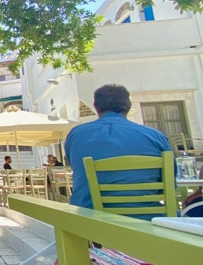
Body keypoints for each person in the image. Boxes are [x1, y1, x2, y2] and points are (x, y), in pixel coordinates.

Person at [65, 84, 174, 219]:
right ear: (127, 106)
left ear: (96, 107)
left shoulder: (76, 135)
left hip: (91, 221)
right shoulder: (156, 136)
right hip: (148, 221)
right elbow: (169, 185)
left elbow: (75, 167)